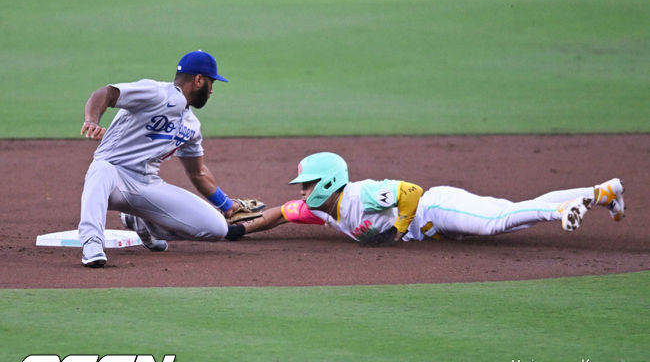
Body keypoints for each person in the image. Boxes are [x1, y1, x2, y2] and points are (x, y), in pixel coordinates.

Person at [228, 152, 625, 245]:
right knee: (507, 212)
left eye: (308, 184)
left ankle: (561, 210)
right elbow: (278, 214)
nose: (302, 191)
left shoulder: (358, 194)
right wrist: (237, 229)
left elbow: (411, 192)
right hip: (434, 226)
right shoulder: (323, 211)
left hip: (435, 208)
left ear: (329, 181)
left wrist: (399, 229)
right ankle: (601, 193)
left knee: (499, 220)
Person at [79, 50, 246, 267]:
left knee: (217, 229)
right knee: (101, 168)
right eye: (211, 83)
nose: (212, 90)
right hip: (112, 177)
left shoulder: (192, 126)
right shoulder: (156, 93)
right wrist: (92, 120)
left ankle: (141, 223)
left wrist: (226, 204)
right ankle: (92, 241)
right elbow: (106, 93)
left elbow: (197, 172)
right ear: (198, 80)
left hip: (147, 185)